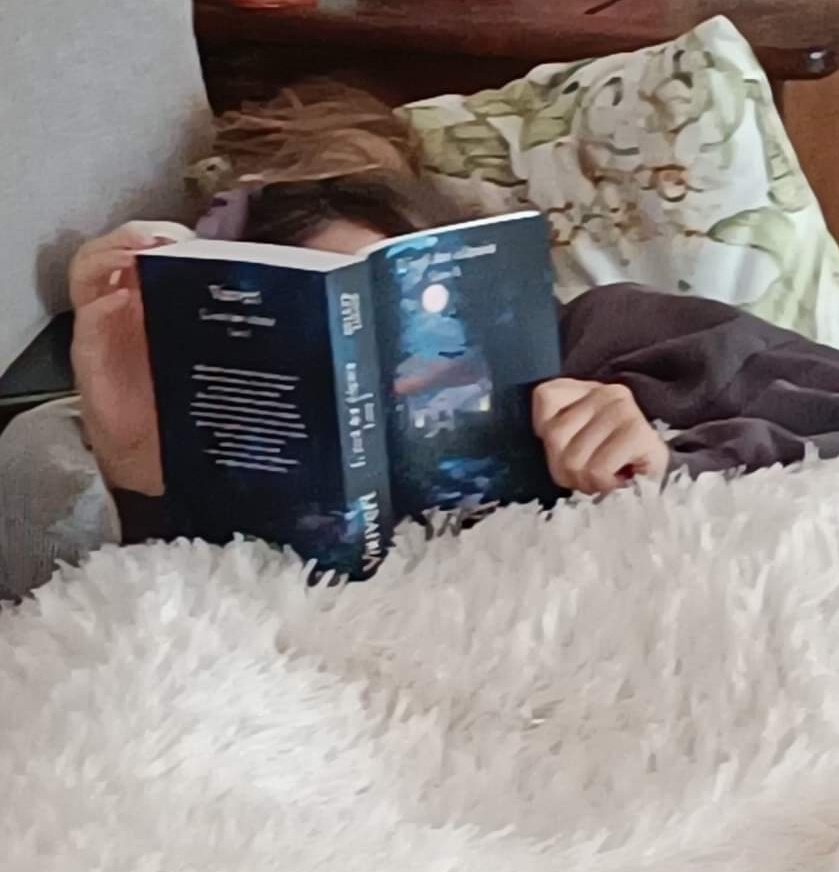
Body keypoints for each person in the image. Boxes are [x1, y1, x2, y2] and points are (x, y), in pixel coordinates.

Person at [3, 80, 839, 596]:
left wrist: (671, 468)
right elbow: (186, 631)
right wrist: (138, 473)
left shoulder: (616, 334)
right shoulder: (251, 465)